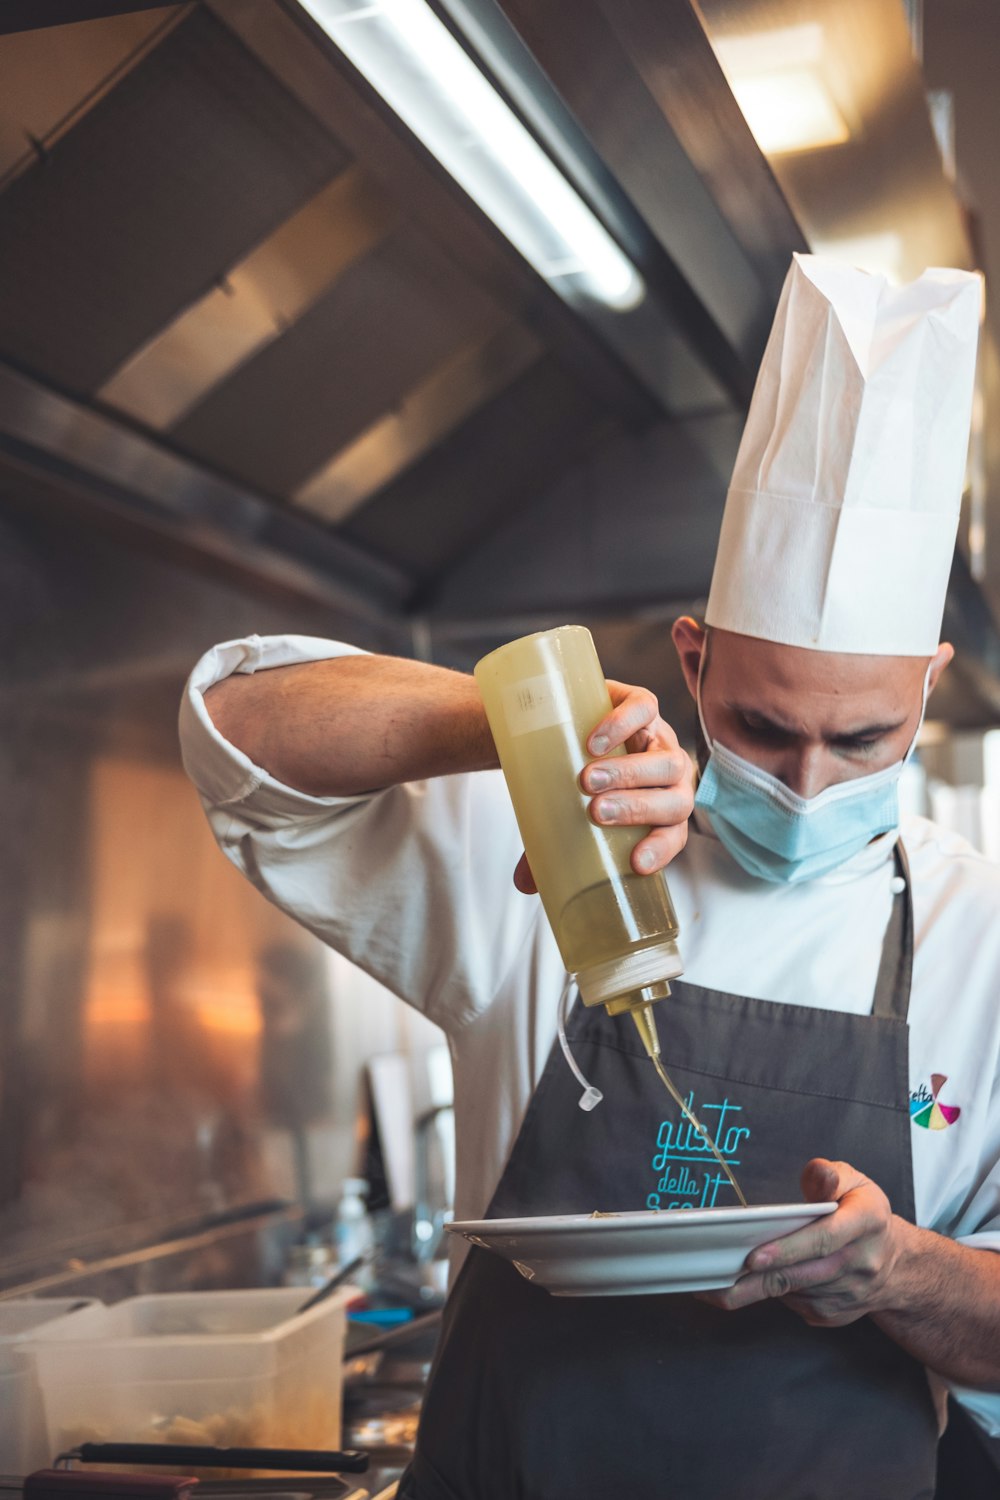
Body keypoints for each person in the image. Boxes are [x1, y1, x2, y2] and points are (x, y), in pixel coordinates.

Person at [180, 256, 1000, 1499]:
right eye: (765, 728)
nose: (808, 779)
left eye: (864, 740)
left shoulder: (977, 936)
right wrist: (535, 724)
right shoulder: (562, 830)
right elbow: (236, 728)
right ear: (692, 655)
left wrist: (899, 1272)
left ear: (929, 686)